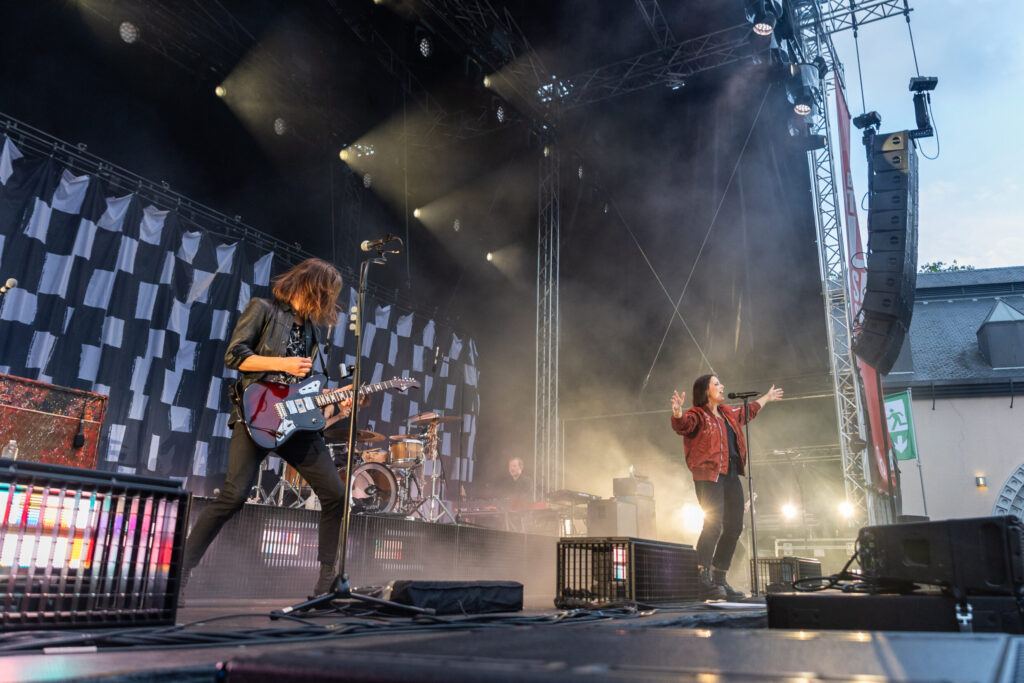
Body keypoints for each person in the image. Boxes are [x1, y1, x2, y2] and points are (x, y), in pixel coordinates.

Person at [183, 258, 356, 597]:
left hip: (297, 423)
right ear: (312, 287)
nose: (328, 304)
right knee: (233, 497)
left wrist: (339, 404)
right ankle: (182, 572)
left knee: (336, 495)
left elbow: (309, 391)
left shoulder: (313, 332)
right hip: (258, 415)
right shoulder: (262, 308)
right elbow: (235, 356)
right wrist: (282, 363)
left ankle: (325, 587)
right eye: (326, 294)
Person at [670, 375, 783, 600]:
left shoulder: (726, 414)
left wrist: (767, 398)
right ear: (705, 391)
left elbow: (747, 410)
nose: (722, 386)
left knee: (734, 527)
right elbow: (683, 425)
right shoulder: (697, 415)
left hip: (731, 474)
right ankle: (701, 577)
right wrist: (677, 412)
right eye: (716, 384)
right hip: (708, 475)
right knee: (713, 525)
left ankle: (719, 578)